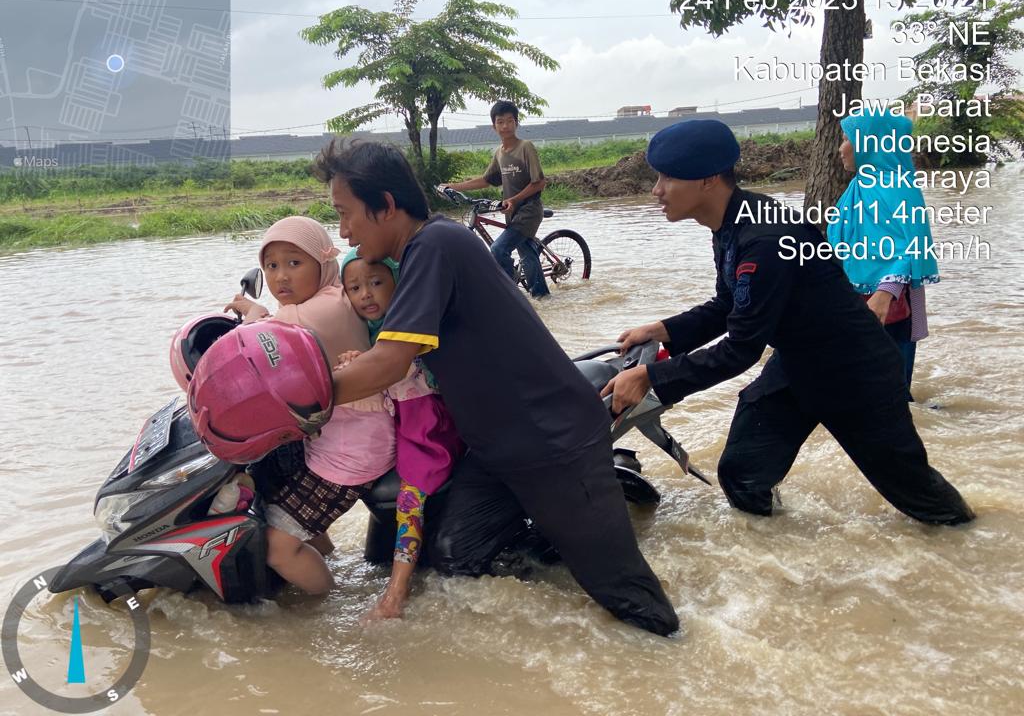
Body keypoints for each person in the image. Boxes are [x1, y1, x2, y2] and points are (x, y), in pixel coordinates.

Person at [318, 138, 679, 636]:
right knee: (453, 555)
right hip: (496, 450)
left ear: (384, 205)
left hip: (554, 444)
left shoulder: (435, 246)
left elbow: (388, 362)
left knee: (631, 601)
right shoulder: (429, 249)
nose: (343, 231)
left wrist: (300, 396)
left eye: (345, 213)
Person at [601, 119, 973, 526]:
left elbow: (741, 348)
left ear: (706, 180)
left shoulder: (764, 237)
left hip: (855, 372)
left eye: (667, 178)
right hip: (799, 363)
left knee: (917, 494)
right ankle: (777, 554)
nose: (656, 190)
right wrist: (662, 330)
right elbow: (731, 303)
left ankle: (974, 543)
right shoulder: (731, 224)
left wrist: (649, 377)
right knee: (743, 472)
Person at [223, 216, 399, 608]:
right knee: (274, 493)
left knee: (277, 546)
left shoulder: (316, 312)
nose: (280, 276)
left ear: (323, 264)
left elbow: (262, 336)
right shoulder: (332, 295)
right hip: (341, 434)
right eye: (271, 266)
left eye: (294, 263)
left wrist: (252, 313)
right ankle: (326, 558)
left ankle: (329, 607)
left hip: (353, 449)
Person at [338, 248, 462, 618]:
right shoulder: (372, 332)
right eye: (355, 287)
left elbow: (400, 366)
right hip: (402, 427)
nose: (366, 295)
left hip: (429, 431)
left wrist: (363, 364)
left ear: (399, 285)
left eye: (376, 283)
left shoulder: (413, 329)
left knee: (410, 502)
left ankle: (396, 592)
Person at [828, 111, 939, 393]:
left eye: (846, 139)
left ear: (871, 144)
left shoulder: (898, 187)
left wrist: (884, 294)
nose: (841, 148)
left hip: (887, 305)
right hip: (856, 303)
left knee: (890, 393)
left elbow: (911, 246)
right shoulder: (857, 188)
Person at [442, 100, 550, 298]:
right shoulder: (499, 154)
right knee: (526, 252)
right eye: (500, 122)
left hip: (529, 210)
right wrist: (453, 186)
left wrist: (515, 200)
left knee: (499, 249)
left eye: (510, 121)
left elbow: (539, 182)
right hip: (512, 211)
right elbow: (486, 180)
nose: (505, 126)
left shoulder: (525, 147)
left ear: (516, 123)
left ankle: (511, 296)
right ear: (494, 126)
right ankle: (542, 296)